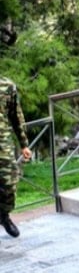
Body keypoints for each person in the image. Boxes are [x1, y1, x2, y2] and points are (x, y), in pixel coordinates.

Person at [0, 76, 32, 238]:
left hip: (2, 145)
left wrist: (24, 144)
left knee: (9, 183)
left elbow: (16, 116)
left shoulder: (7, 86)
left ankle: (4, 215)